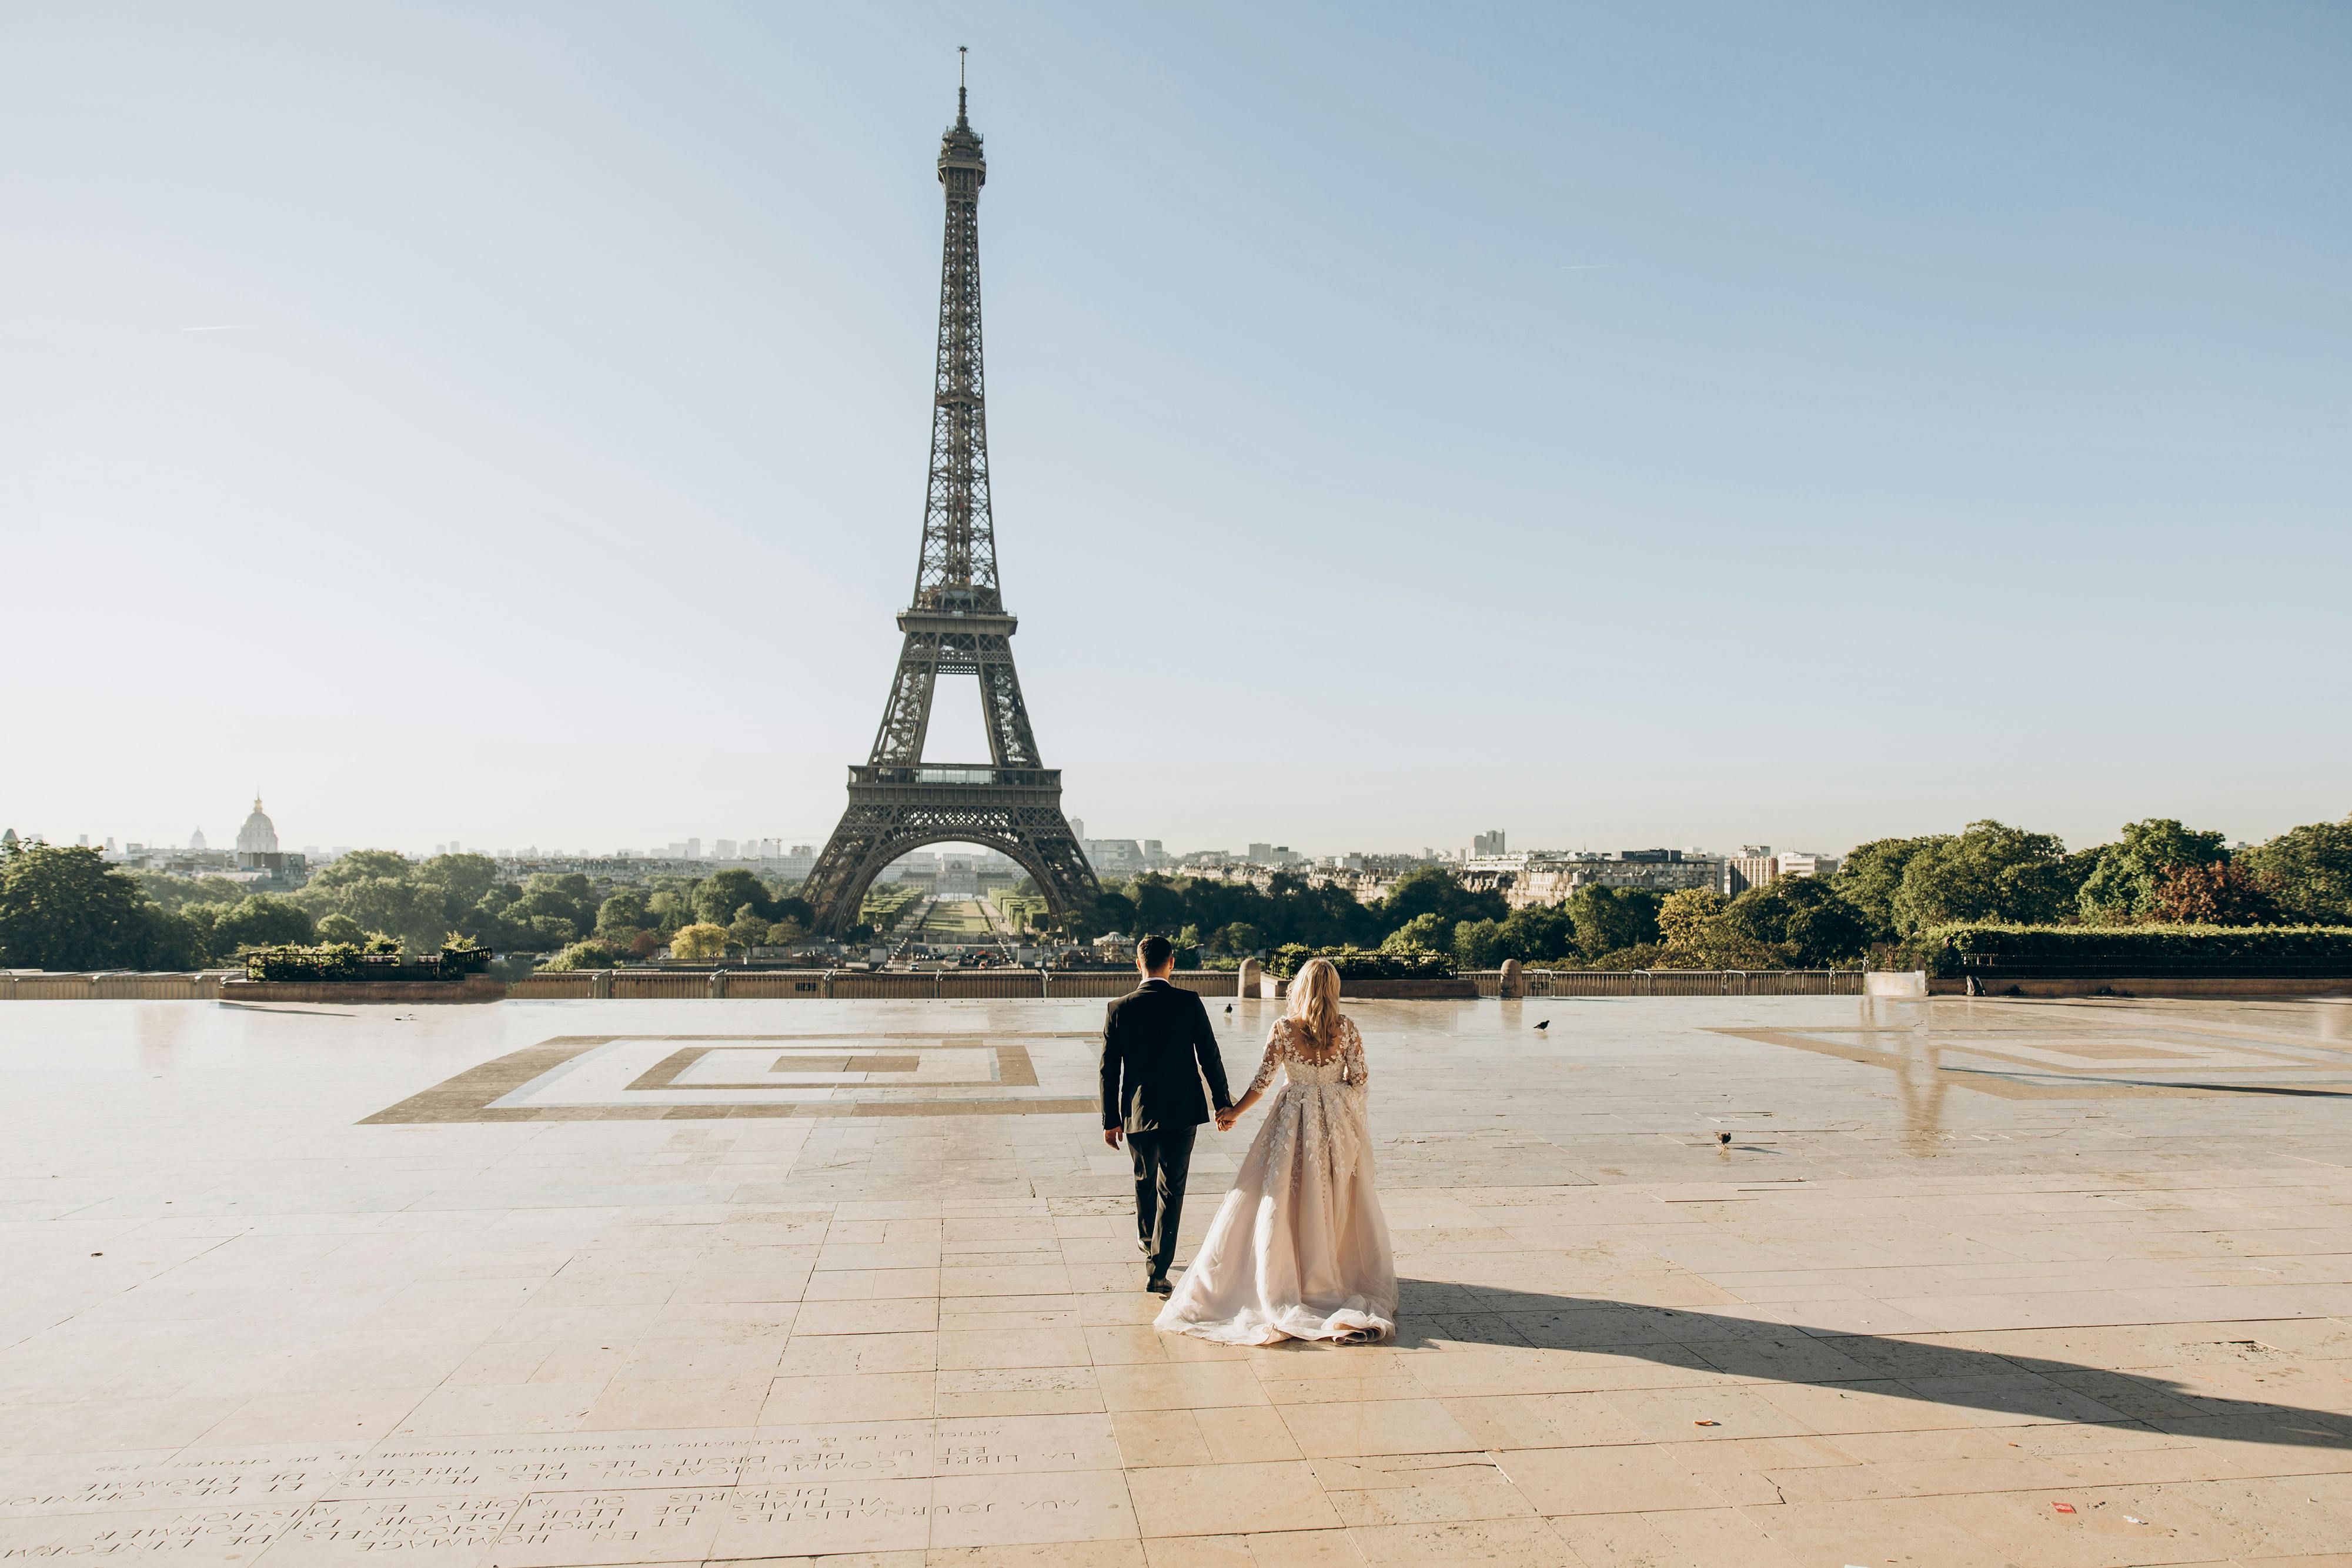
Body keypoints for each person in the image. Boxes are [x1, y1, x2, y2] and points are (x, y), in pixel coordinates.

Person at [1155, 956, 1396, 1343]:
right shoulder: (1347, 1028)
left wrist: (1232, 1111)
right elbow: (1361, 1078)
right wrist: (1335, 1101)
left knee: (1282, 1194)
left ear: (1299, 986)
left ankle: (1286, 1273)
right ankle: (1325, 1270)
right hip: (1335, 1122)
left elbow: (1263, 1081)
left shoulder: (1284, 1028)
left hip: (1293, 1117)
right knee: (1332, 1195)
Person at [1100, 934, 1234, 1294]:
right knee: (1172, 1188)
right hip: (1182, 1109)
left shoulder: (1119, 1008)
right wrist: (1222, 1101)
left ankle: (1148, 1241)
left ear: (1137, 964)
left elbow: (1109, 1070)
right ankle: (1158, 1266)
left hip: (1138, 1110)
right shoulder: (1190, 1003)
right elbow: (1210, 1055)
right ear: (1172, 962)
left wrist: (1110, 1119)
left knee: (1144, 1179)